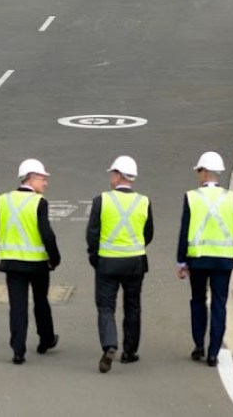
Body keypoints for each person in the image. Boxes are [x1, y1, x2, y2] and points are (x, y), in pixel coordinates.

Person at [86, 155, 153, 373]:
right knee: (132, 306)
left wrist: (94, 256)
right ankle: (129, 351)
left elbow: (92, 233)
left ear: (118, 175)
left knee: (106, 307)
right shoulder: (143, 201)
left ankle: (110, 345)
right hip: (135, 262)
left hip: (107, 262)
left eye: (112, 174)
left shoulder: (101, 200)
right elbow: (148, 233)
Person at [177, 151, 233, 367]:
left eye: (199, 170)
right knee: (219, 303)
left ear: (205, 172)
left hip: (198, 259)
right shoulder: (232, 198)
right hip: (224, 260)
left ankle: (199, 345)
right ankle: (213, 353)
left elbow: (185, 232)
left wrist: (181, 261)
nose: (198, 175)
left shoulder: (192, 197)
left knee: (198, 300)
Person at [0, 158, 60, 364]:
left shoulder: (4, 200)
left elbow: (0, 228)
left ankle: (18, 351)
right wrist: (55, 258)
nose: (45, 183)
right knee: (41, 301)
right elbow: (47, 235)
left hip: (12, 262)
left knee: (17, 306)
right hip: (37, 263)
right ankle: (46, 339)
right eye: (42, 178)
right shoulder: (39, 203)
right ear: (31, 178)